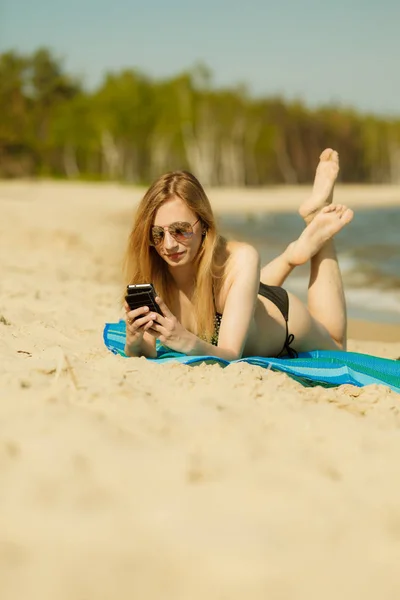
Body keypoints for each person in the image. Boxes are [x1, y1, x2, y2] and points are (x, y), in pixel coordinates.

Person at [123, 149, 353, 360]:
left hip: (282, 318)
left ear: (204, 224)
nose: (169, 244)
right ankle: (291, 256)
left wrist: (184, 340)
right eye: (157, 234)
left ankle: (318, 219)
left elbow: (231, 355)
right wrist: (134, 343)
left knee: (337, 344)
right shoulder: (152, 264)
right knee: (239, 288)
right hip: (241, 298)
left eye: (181, 230)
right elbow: (146, 350)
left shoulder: (242, 258)